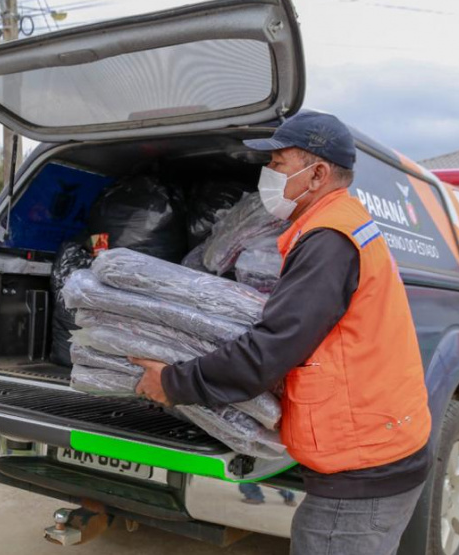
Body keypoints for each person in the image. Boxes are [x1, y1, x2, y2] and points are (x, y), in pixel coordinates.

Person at [132, 111, 432, 555]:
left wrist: (174, 382)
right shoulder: (341, 222)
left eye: (278, 164)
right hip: (379, 447)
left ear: (318, 175)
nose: (267, 175)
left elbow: (271, 349)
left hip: (361, 468)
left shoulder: (330, 239)